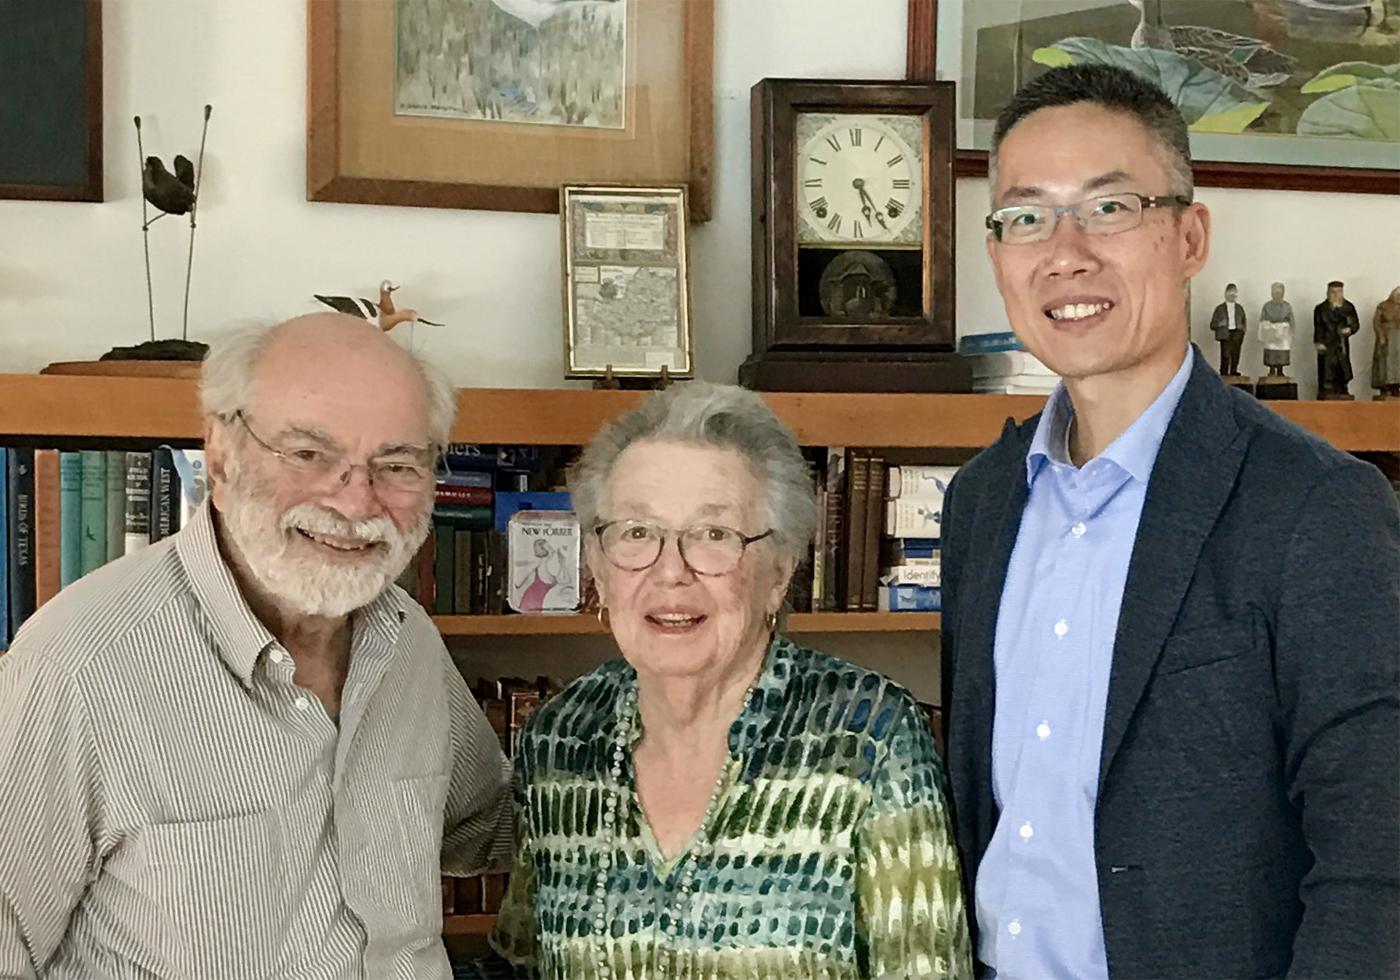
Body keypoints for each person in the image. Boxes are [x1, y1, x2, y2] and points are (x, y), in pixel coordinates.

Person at [943, 63, 1399, 979]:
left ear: (1190, 235)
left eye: (1109, 209)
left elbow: (1376, 858)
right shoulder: (981, 502)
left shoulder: (1316, 505)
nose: (1063, 252)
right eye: (1025, 216)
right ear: (996, 252)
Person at [0, 314, 514, 979]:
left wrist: (659, 734)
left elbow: (483, 826)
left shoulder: (406, 639)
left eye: (397, 464)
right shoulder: (77, 668)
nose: (357, 501)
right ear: (221, 455)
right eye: (308, 454)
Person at [488, 382, 971, 979]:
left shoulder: (867, 737)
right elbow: (518, 966)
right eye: (637, 532)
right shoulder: (561, 739)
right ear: (598, 569)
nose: (670, 573)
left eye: (714, 535)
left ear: (779, 572)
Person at [1314, 279, 1360, 399]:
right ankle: (1327, 388)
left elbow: (1355, 324)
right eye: (1332, 292)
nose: (1335, 295)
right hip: (1327, 341)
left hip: (1341, 342)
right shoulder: (1320, 309)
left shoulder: (1348, 307)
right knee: (1327, 366)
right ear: (1327, 293)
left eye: (1338, 292)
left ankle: (1342, 388)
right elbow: (1318, 327)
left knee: (1342, 366)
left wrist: (1349, 329)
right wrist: (1318, 342)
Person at [1258, 281, 1295, 379]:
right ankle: (1271, 369)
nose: (1277, 295)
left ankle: (1280, 370)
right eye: (1275, 293)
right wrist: (1267, 326)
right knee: (1271, 350)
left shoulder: (1287, 306)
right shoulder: (1267, 306)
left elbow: (1291, 320)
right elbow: (1263, 319)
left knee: (1281, 351)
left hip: (1283, 332)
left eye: (1279, 293)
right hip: (1271, 331)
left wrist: (1291, 330)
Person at [1208, 281, 1246, 376]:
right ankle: (1224, 371)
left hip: (1237, 333)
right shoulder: (1219, 309)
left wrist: (1242, 330)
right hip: (1225, 333)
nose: (1232, 295)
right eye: (1230, 292)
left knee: (1236, 353)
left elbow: (1244, 321)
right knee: (1225, 354)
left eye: (1234, 292)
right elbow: (1212, 324)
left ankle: (1234, 370)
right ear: (1225, 294)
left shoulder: (1239, 308)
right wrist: (1220, 324)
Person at [1371, 285, 1400, 398]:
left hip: (1398, 340)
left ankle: (1396, 386)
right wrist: (1380, 335)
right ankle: (1384, 386)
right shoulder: (1383, 306)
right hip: (1386, 338)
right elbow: (1376, 323)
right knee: (1384, 362)